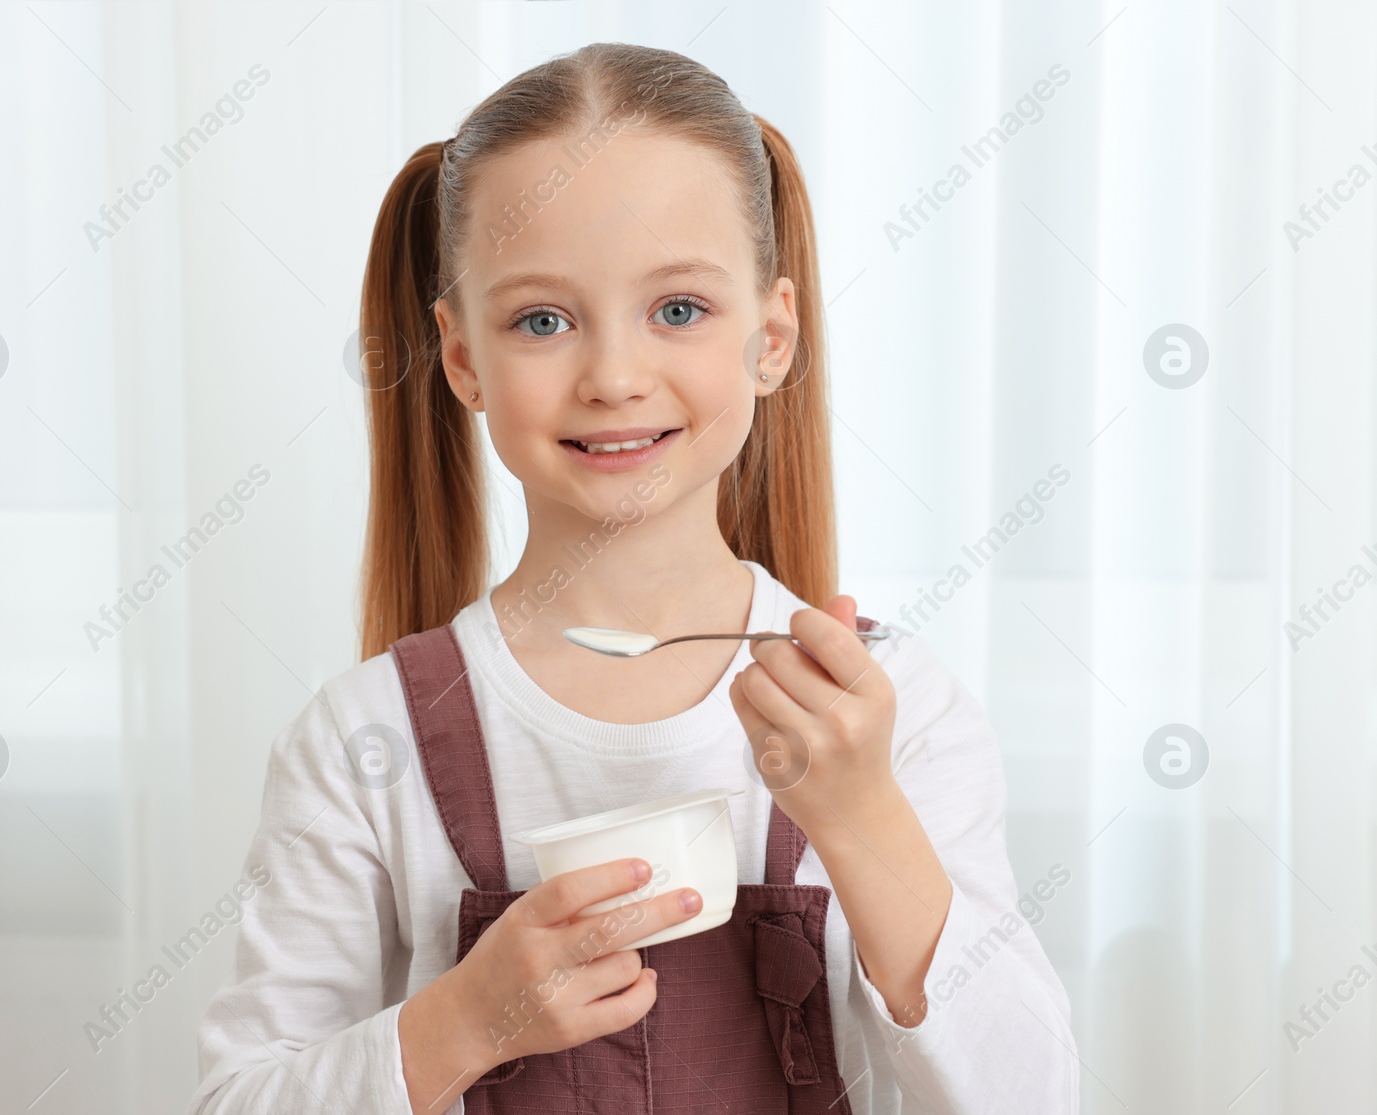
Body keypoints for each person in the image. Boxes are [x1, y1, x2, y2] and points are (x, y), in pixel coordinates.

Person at [187, 41, 1077, 1115]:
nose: (613, 377)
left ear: (772, 336)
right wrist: (463, 1020)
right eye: (542, 321)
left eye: (678, 309)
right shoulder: (361, 738)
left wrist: (863, 818)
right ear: (461, 357)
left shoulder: (888, 713)